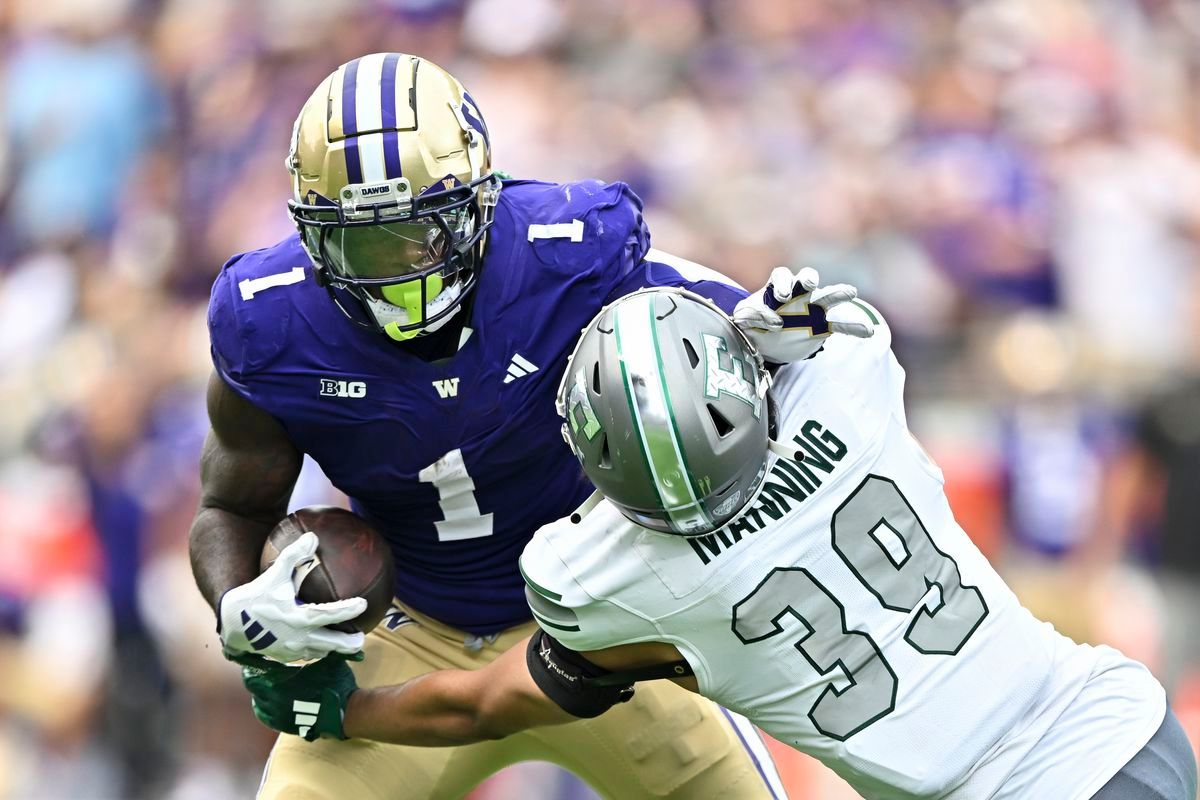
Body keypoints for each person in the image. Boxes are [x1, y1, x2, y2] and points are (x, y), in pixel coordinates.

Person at [191, 52, 868, 799]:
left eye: (423, 234)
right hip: (408, 625)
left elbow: (703, 322)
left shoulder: (565, 248)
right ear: (314, 238)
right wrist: (236, 603)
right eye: (364, 243)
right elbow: (229, 507)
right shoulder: (270, 322)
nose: (399, 272)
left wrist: (750, 335)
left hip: (601, 611)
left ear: (483, 198)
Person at [244, 288, 1197, 800]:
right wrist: (779, 326)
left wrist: (340, 710)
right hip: (1118, 722)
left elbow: (484, 703)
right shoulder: (848, 384)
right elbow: (845, 318)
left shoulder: (628, 580)